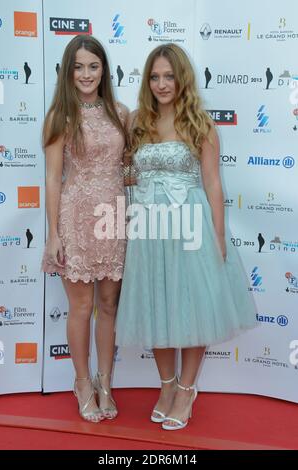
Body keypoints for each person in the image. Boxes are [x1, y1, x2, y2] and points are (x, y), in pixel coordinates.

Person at [115, 43, 257, 430]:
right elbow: (128, 176)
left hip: (190, 224)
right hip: (149, 226)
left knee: (194, 306)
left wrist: (217, 235)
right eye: (155, 76)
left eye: (169, 76)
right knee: (155, 303)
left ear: (183, 78)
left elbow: (212, 183)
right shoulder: (137, 122)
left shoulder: (200, 123)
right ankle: (166, 386)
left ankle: (187, 389)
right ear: (148, 81)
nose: (162, 84)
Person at [41, 35, 128, 423]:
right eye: (78, 66)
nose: (86, 74)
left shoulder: (120, 113)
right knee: (82, 306)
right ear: (68, 71)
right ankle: (81, 383)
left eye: (93, 66)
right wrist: (53, 234)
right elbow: (53, 178)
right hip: (75, 219)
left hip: (114, 219)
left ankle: (105, 382)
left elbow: (127, 169)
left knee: (109, 306)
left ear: (104, 69)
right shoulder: (60, 116)